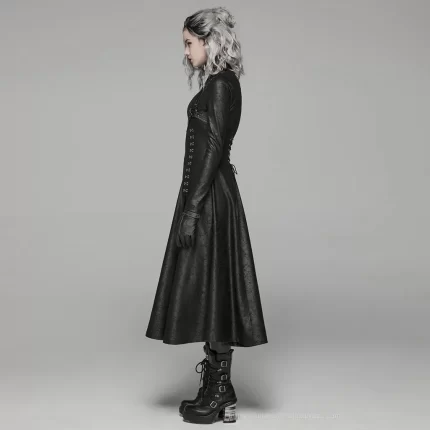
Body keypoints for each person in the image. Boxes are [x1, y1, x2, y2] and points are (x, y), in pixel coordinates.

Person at [145, 6, 268, 424]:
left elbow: (213, 148)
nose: (185, 52)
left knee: (214, 288)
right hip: (210, 195)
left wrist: (192, 210)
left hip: (209, 198)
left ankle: (219, 391)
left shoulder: (218, 85)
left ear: (209, 41)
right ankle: (218, 389)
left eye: (189, 43)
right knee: (213, 288)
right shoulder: (225, 82)